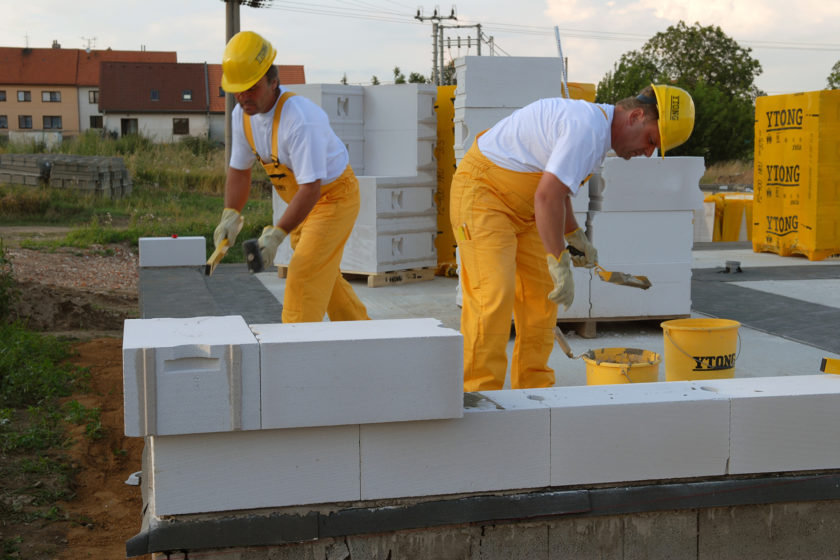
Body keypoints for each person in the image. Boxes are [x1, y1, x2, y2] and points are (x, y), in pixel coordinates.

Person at [450, 84, 695, 391]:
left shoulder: (595, 134)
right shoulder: (587, 129)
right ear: (635, 116)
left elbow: (558, 190)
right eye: (650, 141)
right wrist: (558, 260)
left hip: (524, 209)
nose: (647, 153)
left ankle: (534, 391)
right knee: (493, 294)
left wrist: (574, 236)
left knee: (542, 297)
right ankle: (478, 394)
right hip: (482, 196)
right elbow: (547, 197)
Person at [213, 31, 369, 324]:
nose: (243, 96)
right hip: (303, 202)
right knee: (325, 278)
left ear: (274, 82)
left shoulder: (300, 120)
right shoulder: (241, 116)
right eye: (238, 89)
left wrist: (275, 235)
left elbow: (311, 189)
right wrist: (230, 215)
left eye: (251, 87)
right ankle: (366, 340)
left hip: (333, 198)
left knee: (304, 274)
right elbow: (239, 170)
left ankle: (292, 353)